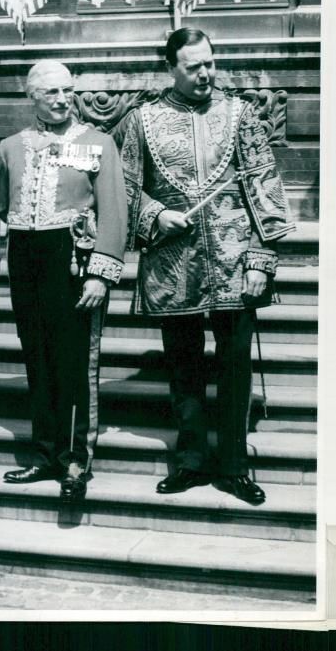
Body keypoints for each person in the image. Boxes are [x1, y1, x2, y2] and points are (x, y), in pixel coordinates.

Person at [115, 28, 295, 506]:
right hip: (174, 266)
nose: (204, 73)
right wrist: (155, 215)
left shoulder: (241, 115)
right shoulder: (142, 121)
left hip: (236, 264)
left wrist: (261, 260)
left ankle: (234, 465)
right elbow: (122, 189)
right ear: (170, 67)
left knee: (234, 366)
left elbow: (265, 186)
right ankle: (191, 460)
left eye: (209, 63)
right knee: (184, 369)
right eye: (193, 66)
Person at [0, 61, 128, 502]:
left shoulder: (97, 143)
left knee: (74, 362)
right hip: (27, 258)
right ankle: (43, 453)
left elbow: (113, 210)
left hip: (74, 263)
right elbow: (1, 205)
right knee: (37, 358)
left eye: (66, 90)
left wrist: (101, 272)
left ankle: (75, 459)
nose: (60, 99)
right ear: (31, 95)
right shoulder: (12, 146)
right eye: (50, 92)